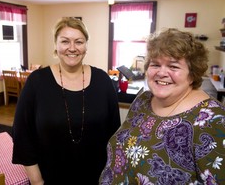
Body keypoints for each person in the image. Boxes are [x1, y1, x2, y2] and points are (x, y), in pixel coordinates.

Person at [99, 28, 225, 184]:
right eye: (155, 64)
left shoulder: (214, 120)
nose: (162, 73)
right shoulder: (143, 100)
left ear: (192, 74)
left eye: (173, 66)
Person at [12, 17, 121, 185]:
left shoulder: (103, 80)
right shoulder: (37, 82)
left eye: (79, 42)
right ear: (56, 45)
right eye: (65, 41)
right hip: (49, 178)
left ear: (86, 46)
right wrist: (37, 181)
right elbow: (22, 134)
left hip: (97, 178)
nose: (72, 48)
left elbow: (114, 134)